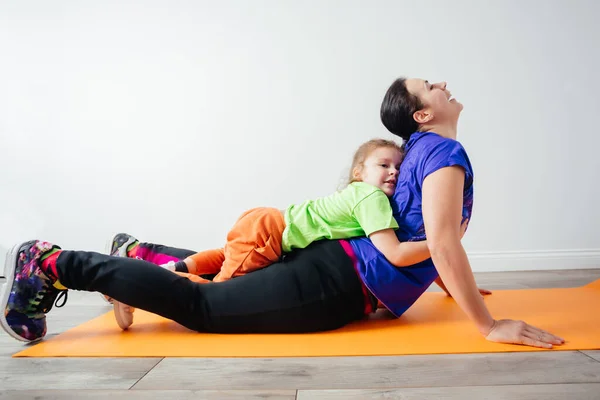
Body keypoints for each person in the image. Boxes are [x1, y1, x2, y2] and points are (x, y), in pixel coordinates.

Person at [0, 77, 565, 350]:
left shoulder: (419, 151)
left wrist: (448, 279)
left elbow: (422, 228)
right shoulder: (443, 153)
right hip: (341, 279)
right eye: (430, 85)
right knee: (203, 308)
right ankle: (53, 263)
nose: (443, 84)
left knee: (217, 279)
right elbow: (441, 240)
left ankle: (138, 254)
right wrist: (488, 326)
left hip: (338, 265)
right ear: (421, 115)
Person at [155, 138, 435, 284]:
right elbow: (396, 253)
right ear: (358, 172)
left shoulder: (356, 193)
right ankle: (159, 281)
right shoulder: (371, 197)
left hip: (266, 220)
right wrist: (441, 244)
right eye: (384, 165)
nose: (394, 172)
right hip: (269, 234)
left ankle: (175, 267)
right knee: (219, 290)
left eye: (398, 167)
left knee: (226, 254)